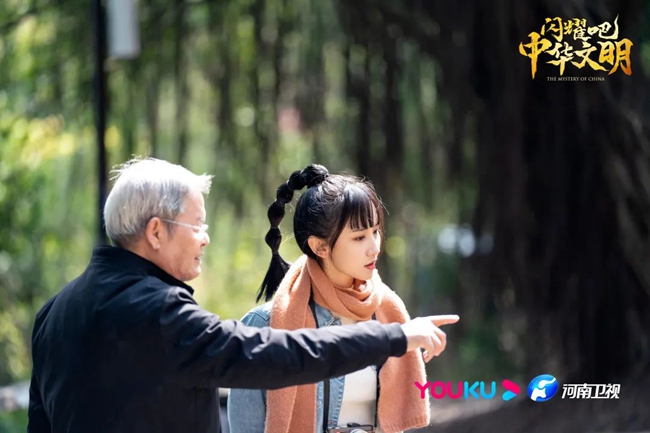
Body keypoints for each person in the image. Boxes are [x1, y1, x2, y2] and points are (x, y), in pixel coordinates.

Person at [27, 157, 459, 433]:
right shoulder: (159, 312)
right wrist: (394, 337)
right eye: (197, 225)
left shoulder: (53, 313)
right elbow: (276, 353)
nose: (205, 238)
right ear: (156, 232)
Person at [228, 164, 453, 433]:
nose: (374, 247)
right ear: (320, 246)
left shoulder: (387, 313)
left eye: (375, 231)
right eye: (359, 237)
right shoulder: (265, 325)